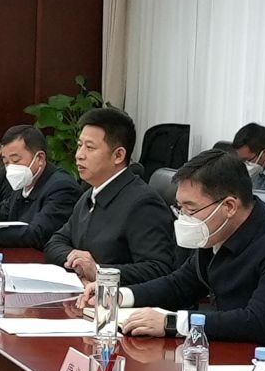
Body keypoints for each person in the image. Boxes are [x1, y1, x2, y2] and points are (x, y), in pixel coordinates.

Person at [84, 148, 265, 350]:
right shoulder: (215, 231)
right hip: (227, 350)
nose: (184, 217)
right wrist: (119, 296)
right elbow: (180, 284)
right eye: (180, 208)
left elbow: (257, 322)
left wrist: (172, 323)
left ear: (229, 206)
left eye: (190, 209)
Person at [44, 107, 181, 284]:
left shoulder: (143, 203)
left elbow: (158, 269)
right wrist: (75, 259)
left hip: (118, 299)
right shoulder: (90, 194)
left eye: (90, 147)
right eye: (79, 146)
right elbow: (55, 242)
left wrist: (98, 271)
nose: (79, 155)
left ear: (118, 155)